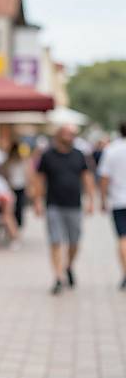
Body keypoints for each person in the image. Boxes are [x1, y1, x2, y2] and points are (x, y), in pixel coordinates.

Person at [34, 124, 95, 295]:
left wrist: (91, 199)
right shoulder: (47, 155)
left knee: (74, 242)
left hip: (74, 205)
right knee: (55, 241)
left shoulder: (79, 155)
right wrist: (37, 200)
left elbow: (87, 176)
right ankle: (58, 277)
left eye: (73, 134)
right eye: (68, 133)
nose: (71, 136)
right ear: (59, 135)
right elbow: (39, 179)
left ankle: (68, 266)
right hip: (53, 204)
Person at [98, 122, 126, 290]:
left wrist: (102, 198)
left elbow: (104, 177)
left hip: (118, 200)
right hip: (118, 200)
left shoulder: (112, 150)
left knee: (123, 238)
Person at [4, 142, 30, 229]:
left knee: (19, 206)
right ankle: (14, 224)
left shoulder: (22, 161)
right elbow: (6, 173)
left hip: (21, 186)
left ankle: (18, 224)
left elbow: (26, 174)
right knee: (12, 207)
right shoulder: (8, 162)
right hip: (11, 187)